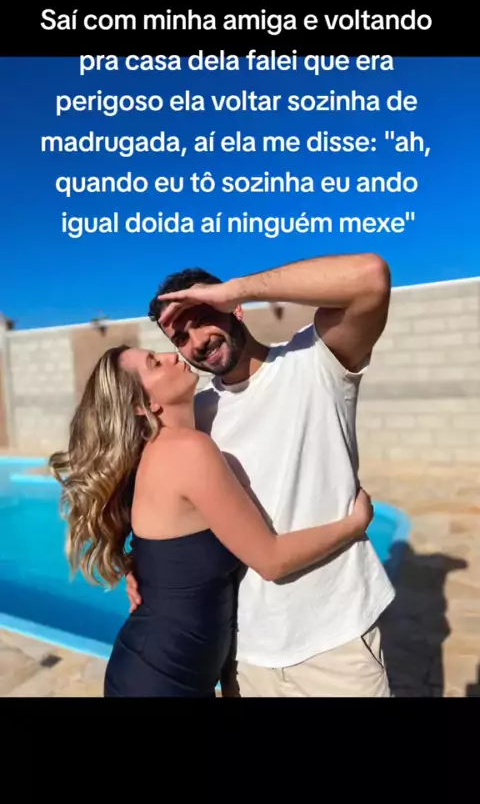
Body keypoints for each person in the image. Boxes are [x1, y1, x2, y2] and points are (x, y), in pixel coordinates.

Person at [126, 253, 396, 697]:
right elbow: (156, 495)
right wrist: (140, 565)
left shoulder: (315, 361)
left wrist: (236, 288)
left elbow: (371, 277)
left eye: (202, 319)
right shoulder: (195, 415)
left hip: (336, 644)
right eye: (180, 337)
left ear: (233, 307)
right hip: (245, 655)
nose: (196, 342)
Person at [49, 344, 375, 698]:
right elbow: (271, 559)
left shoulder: (163, 452)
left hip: (170, 671)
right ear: (144, 405)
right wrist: (353, 524)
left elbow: (170, 547)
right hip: (160, 679)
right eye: (155, 363)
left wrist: (138, 566)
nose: (173, 356)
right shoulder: (187, 449)